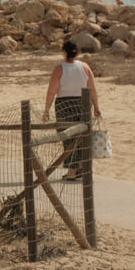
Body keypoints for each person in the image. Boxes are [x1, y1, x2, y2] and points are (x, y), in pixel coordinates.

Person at [43, 40, 102, 180]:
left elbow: (52, 91)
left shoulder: (59, 68)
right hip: (83, 103)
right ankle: (82, 168)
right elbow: (92, 89)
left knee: (68, 137)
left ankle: (71, 172)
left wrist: (46, 109)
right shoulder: (85, 67)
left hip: (64, 104)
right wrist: (97, 107)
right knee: (82, 136)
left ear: (64, 52)